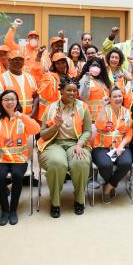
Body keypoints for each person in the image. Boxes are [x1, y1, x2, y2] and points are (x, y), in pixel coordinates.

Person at [0, 90, 40, 225]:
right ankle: (5, 210)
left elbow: (36, 130)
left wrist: (23, 116)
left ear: (17, 102)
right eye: (6, 99)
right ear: (1, 102)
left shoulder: (22, 119)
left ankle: (13, 209)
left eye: (13, 99)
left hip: (19, 159)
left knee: (17, 176)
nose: (10, 102)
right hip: (0, 159)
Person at [37, 79, 92, 218]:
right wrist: (56, 126)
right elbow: (42, 133)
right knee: (57, 163)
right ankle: (55, 202)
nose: (72, 93)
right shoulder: (50, 107)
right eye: (68, 90)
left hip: (76, 143)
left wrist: (80, 144)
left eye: (74, 90)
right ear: (61, 90)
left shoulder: (83, 107)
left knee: (81, 162)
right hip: (53, 144)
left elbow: (87, 131)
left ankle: (79, 199)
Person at [91, 87, 133, 203]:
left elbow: (129, 133)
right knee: (105, 165)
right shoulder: (104, 110)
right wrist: (104, 107)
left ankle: (108, 186)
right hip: (102, 146)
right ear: (110, 98)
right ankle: (110, 183)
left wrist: (121, 146)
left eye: (120, 96)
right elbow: (99, 125)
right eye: (114, 96)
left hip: (120, 146)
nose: (118, 98)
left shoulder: (127, 112)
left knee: (126, 163)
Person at [0, 50, 39, 119]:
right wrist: (11, 116)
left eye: (21, 59)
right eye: (15, 59)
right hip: (10, 120)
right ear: (9, 60)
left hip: (29, 119)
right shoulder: (1, 79)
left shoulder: (30, 77)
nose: (18, 62)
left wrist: (32, 114)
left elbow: (36, 97)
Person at [79, 56, 112, 121]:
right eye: (94, 65)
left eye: (98, 66)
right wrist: (87, 80)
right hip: (90, 119)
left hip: (103, 118)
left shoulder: (103, 81)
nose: (96, 68)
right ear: (89, 67)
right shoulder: (84, 79)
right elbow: (83, 97)